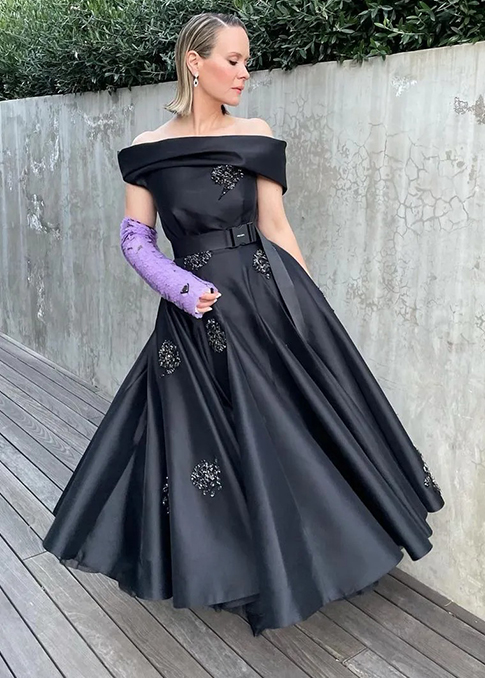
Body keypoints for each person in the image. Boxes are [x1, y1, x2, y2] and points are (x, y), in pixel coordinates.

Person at [42, 11, 445, 637]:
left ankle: (306, 559)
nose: (243, 73)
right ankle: (233, 569)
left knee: (289, 430)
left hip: (264, 301)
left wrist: (311, 309)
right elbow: (135, 239)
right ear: (194, 62)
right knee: (202, 444)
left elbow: (276, 226)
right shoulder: (146, 150)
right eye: (232, 60)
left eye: (246, 62)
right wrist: (180, 287)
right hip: (194, 312)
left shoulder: (255, 135)